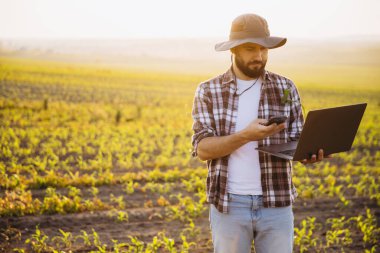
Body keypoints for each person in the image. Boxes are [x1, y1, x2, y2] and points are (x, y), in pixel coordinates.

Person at [191, 13, 330, 253]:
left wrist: (309, 153)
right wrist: (245, 135)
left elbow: (298, 139)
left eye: (264, 49)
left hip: (277, 204)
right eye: (250, 49)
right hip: (229, 205)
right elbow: (203, 149)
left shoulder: (285, 87)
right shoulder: (208, 91)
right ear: (233, 50)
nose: (259, 56)